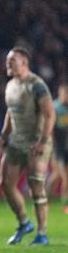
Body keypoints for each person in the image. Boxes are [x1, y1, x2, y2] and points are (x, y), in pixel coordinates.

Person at [0, 47, 55, 246]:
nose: (8, 64)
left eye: (12, 61)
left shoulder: (36, 85)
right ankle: (24, 222)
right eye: (7, 60)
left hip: (36, 142)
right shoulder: (10, 85)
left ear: (24, 63)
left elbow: (49, 113)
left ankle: (42, 233)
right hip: (16, 142)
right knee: (5, 183)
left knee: (36, 186)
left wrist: (43, 141)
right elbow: (10, 113)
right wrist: (3, 136)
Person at [47, 84, 68, 213]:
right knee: (65, 176)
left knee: (56, 176)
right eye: (64, 93)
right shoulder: (55, 108)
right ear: (60, 94)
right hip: (57, 148)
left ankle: (44, 199)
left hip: (66, 147)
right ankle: (65, 204)